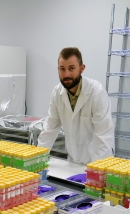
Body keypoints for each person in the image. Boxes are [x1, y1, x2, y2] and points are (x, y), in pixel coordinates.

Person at [37, 47, 114, 181]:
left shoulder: (97, 93)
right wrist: (36, 161)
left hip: (97, 162)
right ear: (58, 69)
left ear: (82, 68)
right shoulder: (57, 93)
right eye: (62, 69)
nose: (66, 74)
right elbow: (49, 129)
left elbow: (104, 137)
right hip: (73, 161)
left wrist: (95, 174)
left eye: (71, 68)